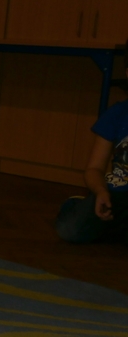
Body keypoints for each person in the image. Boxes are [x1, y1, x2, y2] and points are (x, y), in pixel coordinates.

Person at [55, 94, 128, 244]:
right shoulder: (118, 113)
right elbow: (94, 169)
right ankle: (78, 205)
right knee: (69, 229)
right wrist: (101, 191)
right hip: (117, 194)